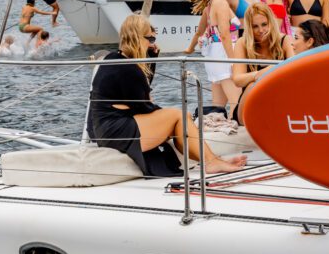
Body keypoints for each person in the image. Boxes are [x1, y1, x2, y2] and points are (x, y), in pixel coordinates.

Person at [89, 14, 246, 177]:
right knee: (179, 117)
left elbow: (142, 90)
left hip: (107, 130)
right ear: (137, 37)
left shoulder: (115, 59)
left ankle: (211, 160)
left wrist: (152, 58)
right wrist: (161, 111)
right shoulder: (128, 68)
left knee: (177, 119)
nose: (152, 43)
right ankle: (212, 161)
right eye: (150, 39)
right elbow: (144, 105)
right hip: (117, 131)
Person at [231, 3, 295, 124]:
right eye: (255, 26)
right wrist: (261, 74)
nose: (261, 30)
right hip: (250, 104)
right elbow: (237, 79)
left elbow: (294, 73)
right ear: (249, 27)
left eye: (264, 24)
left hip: (279, 101)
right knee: (251, 86)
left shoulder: (284, 40)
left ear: (271, 22)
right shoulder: (242, 43)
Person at [188, 0, 241, 112]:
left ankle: (217, 127)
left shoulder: (211, 4)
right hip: (224, 54)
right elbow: (224, 34)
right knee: (237, 103)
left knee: (218, 107)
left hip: (214, 54)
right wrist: (234, 61)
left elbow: (200, 31)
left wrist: (190, 48)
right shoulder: (221, 4)